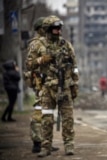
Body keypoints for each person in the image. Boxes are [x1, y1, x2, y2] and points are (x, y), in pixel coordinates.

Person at [27, 15, 79, 157]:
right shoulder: (39, 45)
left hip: (65, 87)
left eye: (59, 28)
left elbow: (74, 67)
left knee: (68, 118)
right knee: (47, 119)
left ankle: (69, 145)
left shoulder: (66, 45)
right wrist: (41, 59)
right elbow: (29, 64)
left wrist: (75, 85)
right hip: (48, 88)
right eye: (55, 28)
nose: (58, 30)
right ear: (48, 29)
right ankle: (46, 147)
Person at [25, 17, 59, 153]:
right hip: (40, 81)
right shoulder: (36, 43)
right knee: (39, 111)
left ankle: (46, 142)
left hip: (50, 81)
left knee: (48, 112)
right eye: (46, 27)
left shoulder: (49, 42)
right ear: (41, 29)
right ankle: (37, 142)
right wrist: (42, 59)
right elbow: (29, 64)